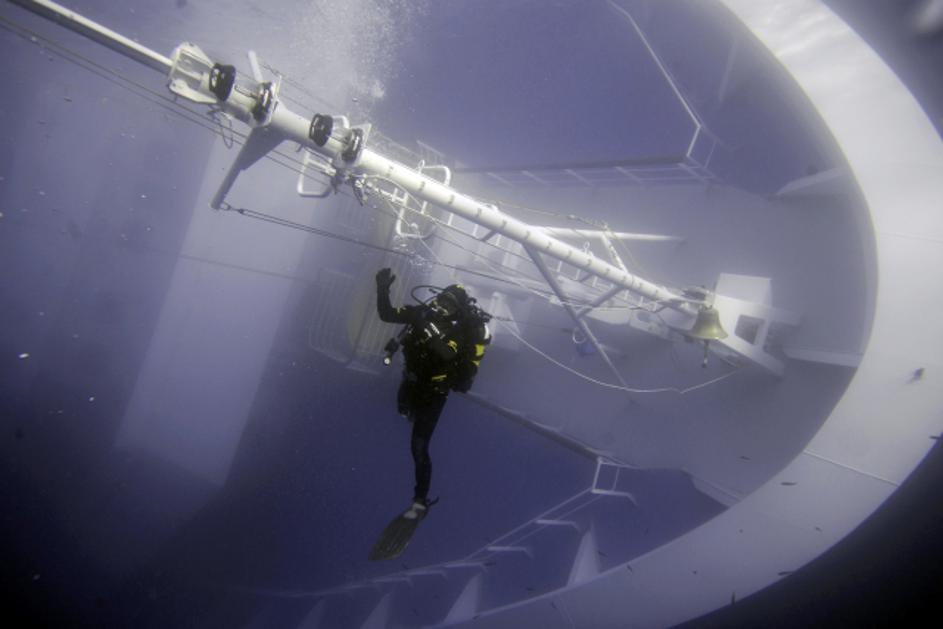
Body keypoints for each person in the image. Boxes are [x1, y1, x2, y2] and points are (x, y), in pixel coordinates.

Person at [375, 267, 490, 520]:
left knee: (419, 446)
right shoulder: (421, 313)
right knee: (403, 411)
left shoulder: (459, 332)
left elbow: (447, 353)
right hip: (411, 382)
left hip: (434, 393)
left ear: (457, 311)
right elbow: (387, 314)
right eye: (441, 301)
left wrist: (426, 327)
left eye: (449, 306)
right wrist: (382, 289)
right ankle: (411, 414)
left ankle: (420, 500)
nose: (442, 308)